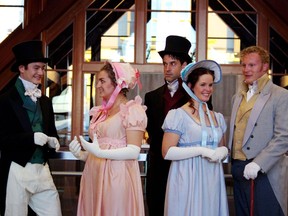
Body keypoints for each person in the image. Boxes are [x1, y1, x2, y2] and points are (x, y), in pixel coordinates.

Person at [69, 62, 147, 216]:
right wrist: (82, 155)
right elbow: (98, 151)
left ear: (117, 83)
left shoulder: (132, 110)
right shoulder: (101, 113)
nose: (97, 85)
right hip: (94, 175)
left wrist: (99, 153)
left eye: (102, 81)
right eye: (98, 81)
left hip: (117, 176)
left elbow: (133, 151)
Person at [0, 40, 62, 216]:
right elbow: (1, 140)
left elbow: (52, 133)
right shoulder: (5, 100)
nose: (41, 72)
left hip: (42, 168)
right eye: (36, 68)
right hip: (17, 169)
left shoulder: (45, 101)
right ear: (22, 68)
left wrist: (53, 141)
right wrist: (30, 138)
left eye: (43, 68)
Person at [162, 60, 229, 216]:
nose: (208, 89)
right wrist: (201, 151)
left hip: (212, 176)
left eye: (211, 85)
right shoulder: (178, 115)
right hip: (187, 175)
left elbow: (223, 147)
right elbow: (167, 152)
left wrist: (224, 150)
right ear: (191, 86)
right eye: (203, 85)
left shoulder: (217, 117)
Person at [228, 46, 288, 216]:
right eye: (244, 65)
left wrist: (259, 163)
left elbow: (284, 137)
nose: (246, 70)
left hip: (265, 171)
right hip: (238, 167)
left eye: (252, 65)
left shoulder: (280, 95)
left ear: (264, 67)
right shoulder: (237, 96)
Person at [144, 35, 192, 216]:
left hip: (184, 166)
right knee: (156, 208)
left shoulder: (195, 97)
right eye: (165, 64)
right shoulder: (151, 96)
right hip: (157, 167)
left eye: (173, 63)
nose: (167, 68)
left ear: (184, 65)